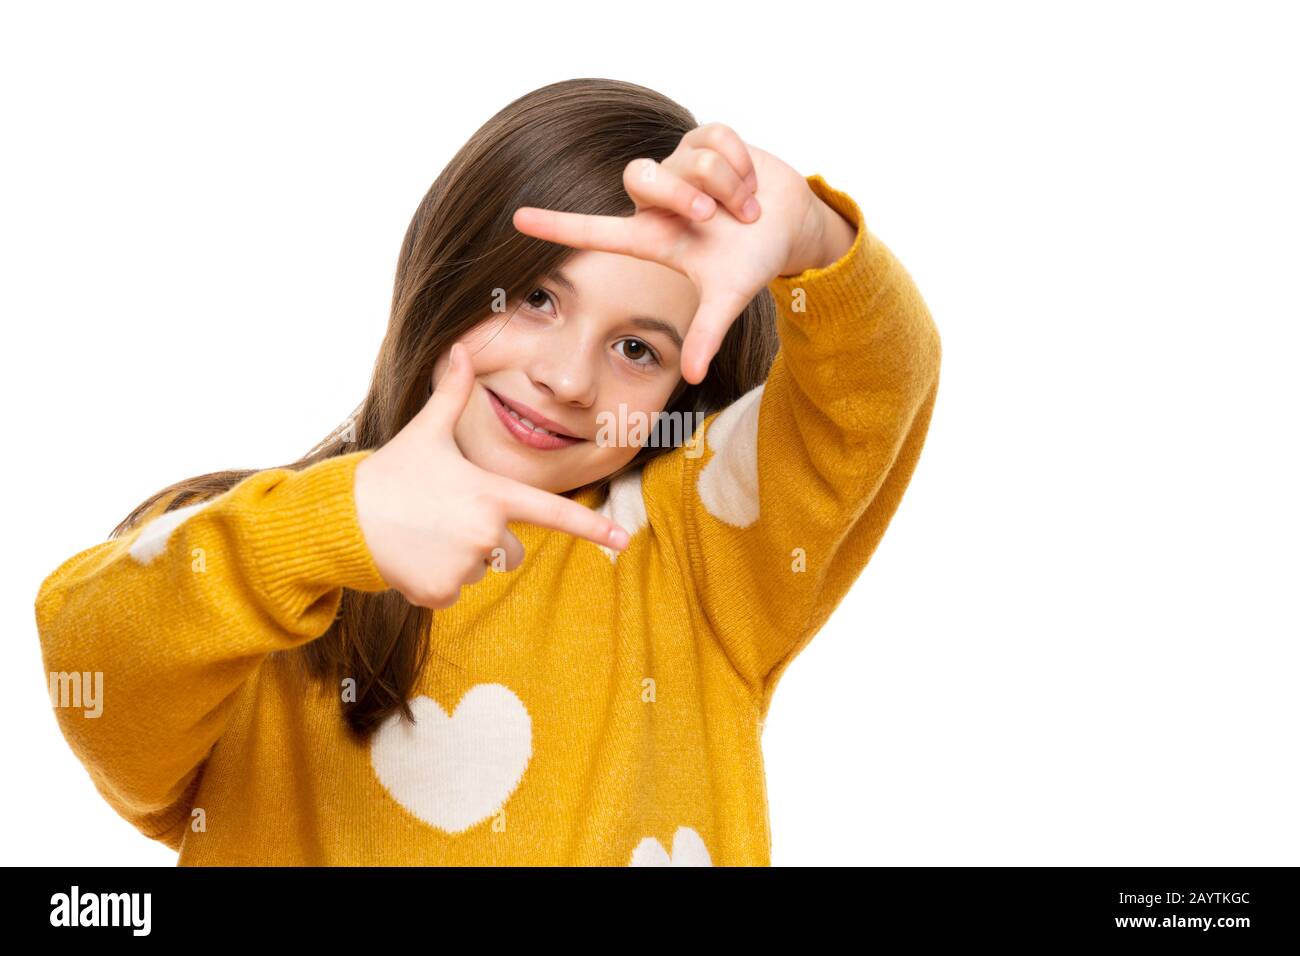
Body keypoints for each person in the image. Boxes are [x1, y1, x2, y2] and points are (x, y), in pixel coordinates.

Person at [35, 77, 942, 865]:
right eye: (538, 297)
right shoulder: (263, 540)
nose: (567, 378)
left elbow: (873, 388)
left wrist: (814, 240)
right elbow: (97, 673)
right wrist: (333, 526)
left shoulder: (695, 551)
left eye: (636, 347)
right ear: (451, 271)